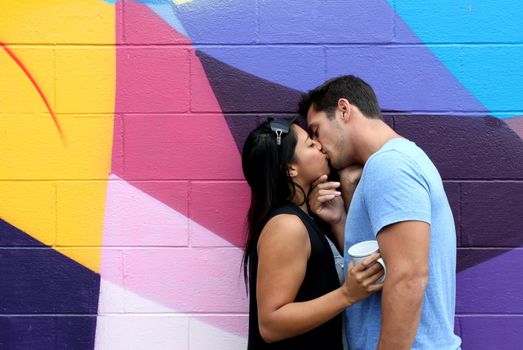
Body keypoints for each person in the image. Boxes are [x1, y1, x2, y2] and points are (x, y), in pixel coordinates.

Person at [299, 75, 462, 350]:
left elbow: (408, 275)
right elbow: (381, 266)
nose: (318, 145)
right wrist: (341, 219)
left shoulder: (390, 165)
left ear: (344, 110)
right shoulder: (392, 162)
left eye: (316, 130)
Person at [241, 118, 384, 349]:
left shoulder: (302, 221)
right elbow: (271, 324)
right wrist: (347, 294)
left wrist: (337, 220)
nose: (319, 145)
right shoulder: (287, 226)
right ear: (290, 169)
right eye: (309, 144)